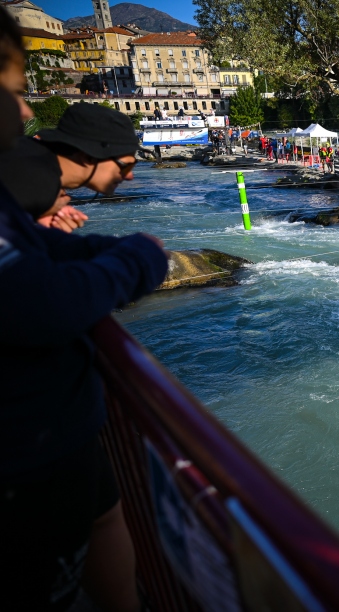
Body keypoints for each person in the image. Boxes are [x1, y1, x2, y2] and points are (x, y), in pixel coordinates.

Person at [0, 9, 167, 611]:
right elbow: (39, 301)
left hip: (54, 437)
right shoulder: (26, 174)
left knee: (104, 516)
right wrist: (141, 258)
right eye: (15, 93)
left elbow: (35, 251)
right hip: (26, 456)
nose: (26, 115)